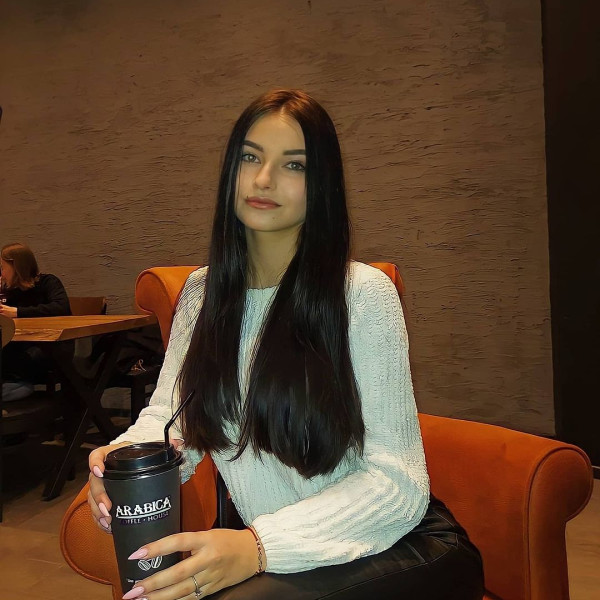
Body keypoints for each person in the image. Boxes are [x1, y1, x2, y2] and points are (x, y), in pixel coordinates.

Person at [88, 89, 484, 600]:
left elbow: (398, 484)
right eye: (250, 157)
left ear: (322, 185)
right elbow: (171, 415)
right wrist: (121, 461)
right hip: (279, 553)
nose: (264, 179)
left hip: (399, 544)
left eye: (293, 165)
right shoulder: (202, 296)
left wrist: (257, 547)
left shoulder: (362, 295)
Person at [0, 242, 71, 400]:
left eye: (3, 268)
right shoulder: (10, 291)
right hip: (18, 347)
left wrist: (17, 312)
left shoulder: (48, 282)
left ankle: (18, 388)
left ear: (16, 267)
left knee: (16, 360)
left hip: (50, 347)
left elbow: (61, 307)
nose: (2, 274)